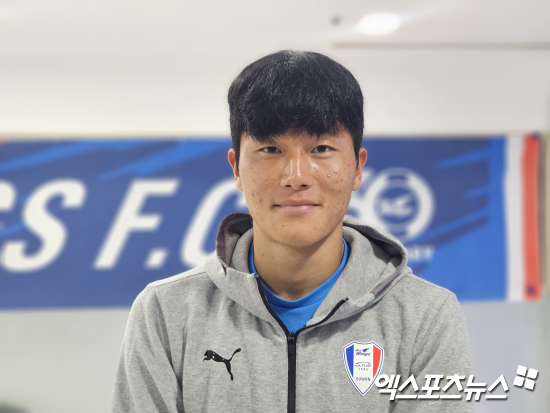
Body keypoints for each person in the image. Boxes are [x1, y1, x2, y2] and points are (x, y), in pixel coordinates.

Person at [112, 50, 473, 413]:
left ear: (357, 167)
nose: (296, 176)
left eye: (322, 148)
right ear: (236, 168)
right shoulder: (165, 312)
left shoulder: (426, 315)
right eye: (270, 149)